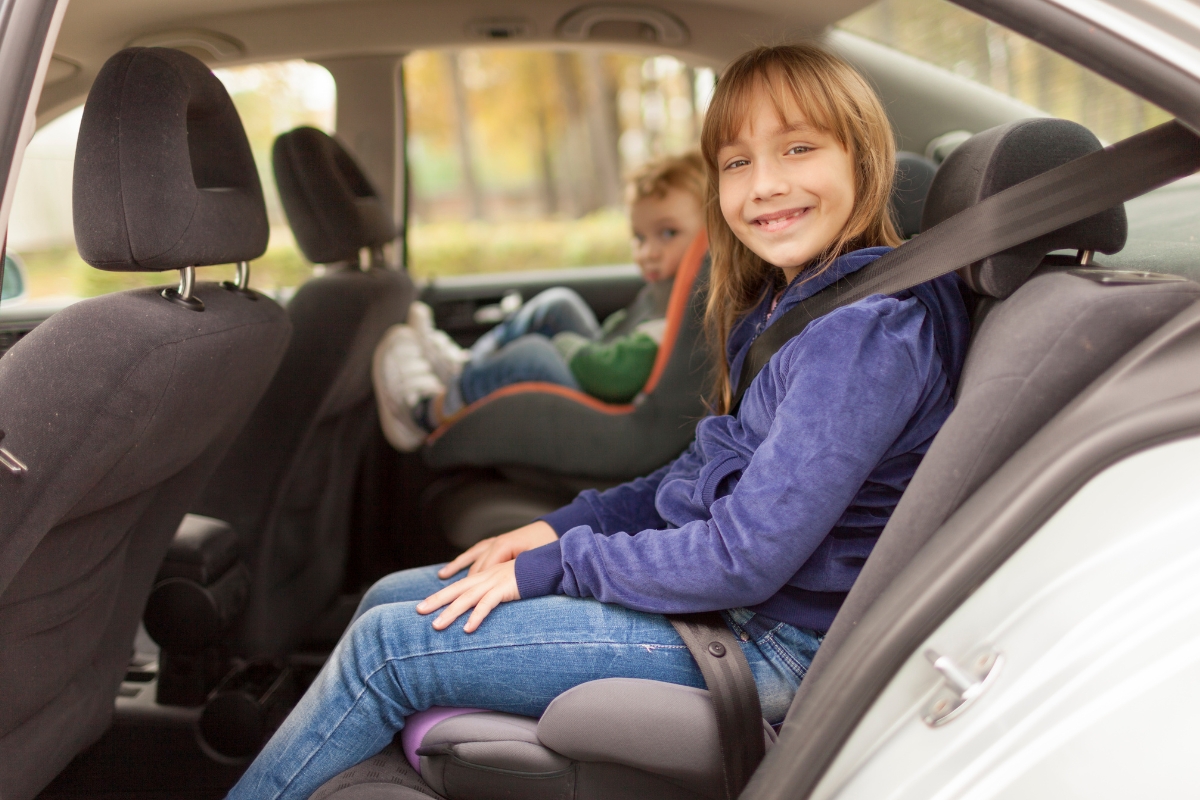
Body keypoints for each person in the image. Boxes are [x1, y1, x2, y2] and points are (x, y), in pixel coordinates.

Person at [228, 43, 972, 800]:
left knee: (389, 647)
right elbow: (695, 470)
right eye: (737, 162)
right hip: (734, 614)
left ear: (865, 158)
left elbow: (745, 556)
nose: (765, 184)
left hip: (768, 643)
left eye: (799, 148)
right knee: (393, 597)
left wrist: (562, 563)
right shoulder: (801, 303)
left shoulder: (861, 337)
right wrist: (556, 528)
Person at [373, 151, 706, 452]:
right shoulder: (667, 288)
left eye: (667, 234)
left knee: (534, 355)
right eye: (639, 237)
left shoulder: (693, 307)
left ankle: (424, 414)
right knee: (558, 305)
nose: (646, 252)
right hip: (606, 369)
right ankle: (467, 366)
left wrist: (565, 346)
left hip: (614, 409)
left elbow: (615, 375)